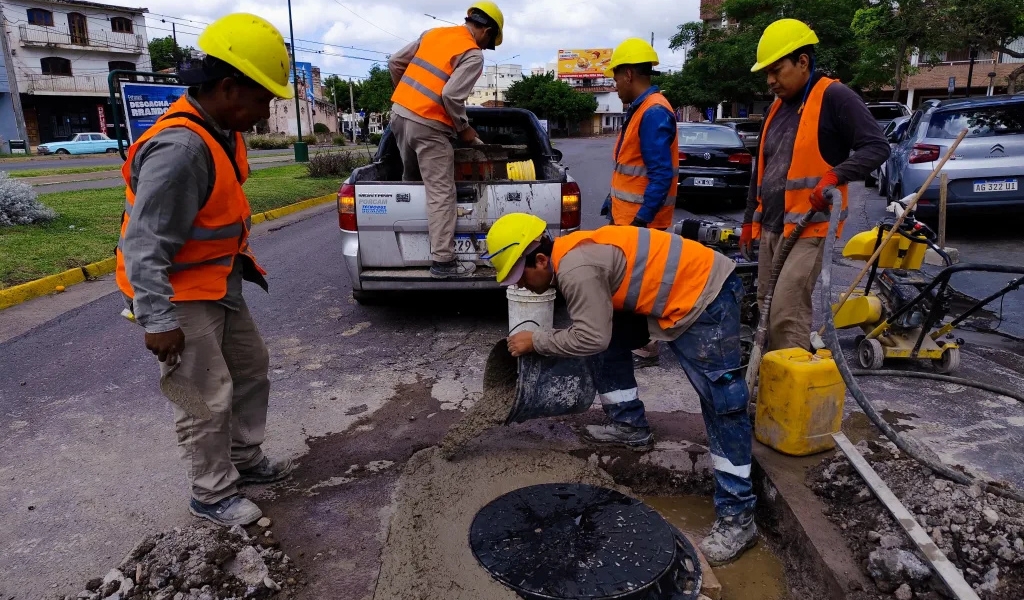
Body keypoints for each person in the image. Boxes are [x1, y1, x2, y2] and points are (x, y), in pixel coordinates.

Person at [484, 213, 758, 565]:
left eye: (521, 277)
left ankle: (739, 517)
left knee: (722, 402)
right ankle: (629, 426)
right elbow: (597, 333)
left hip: (705, 296)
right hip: (668, 293)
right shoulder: (571, 255)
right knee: (602, 337)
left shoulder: (575, 270)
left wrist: (536, 341)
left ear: (540, 259)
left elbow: (590, 337)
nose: (521, 287)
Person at [115, 13, 295, 527]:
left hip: (217, 282)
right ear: (228, 87)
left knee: (250, 368)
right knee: (203, 395)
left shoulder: (220, 129)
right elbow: (143, 244)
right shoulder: (181, 148)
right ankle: (211, 493)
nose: (267, 110)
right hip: (176, 295)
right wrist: (156, 319)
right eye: (263, 98)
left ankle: (243, 459)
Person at [740, 19, 889, 352]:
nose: (770, 81)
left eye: (777, 70)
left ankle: (794, 400)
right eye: (767, 73)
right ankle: (771, 389)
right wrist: (750, 220)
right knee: (763, 310)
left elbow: (876, 147)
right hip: (771, 227)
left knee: (785, 315)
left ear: (803, 61)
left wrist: (835, 176)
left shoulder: (834, 96)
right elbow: (761, 171)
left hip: (809, 230)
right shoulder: (777, 108)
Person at [388, 2, 505, 279]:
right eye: (489, 43)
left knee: (413, 181)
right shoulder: (473, 54)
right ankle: (443, 262)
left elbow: (395, 62)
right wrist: (464, 128)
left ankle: (413, 247)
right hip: (429, 125)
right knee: (441, 192)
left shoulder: (433, 34)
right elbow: (451, 96)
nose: (485, 48)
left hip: (399, 115)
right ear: (486, 31)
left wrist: (408, 99)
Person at [598, 38, 680, 369]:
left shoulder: (653, 112)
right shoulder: (643, 110)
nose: (614, 86)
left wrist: (640, 220)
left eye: (616, 78)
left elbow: (661, 174)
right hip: (628, 217)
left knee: (640, 286)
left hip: (641, 223)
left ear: (629, 74)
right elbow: (632, 169)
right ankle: (639, 342)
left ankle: (645, 346)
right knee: (633, 284)